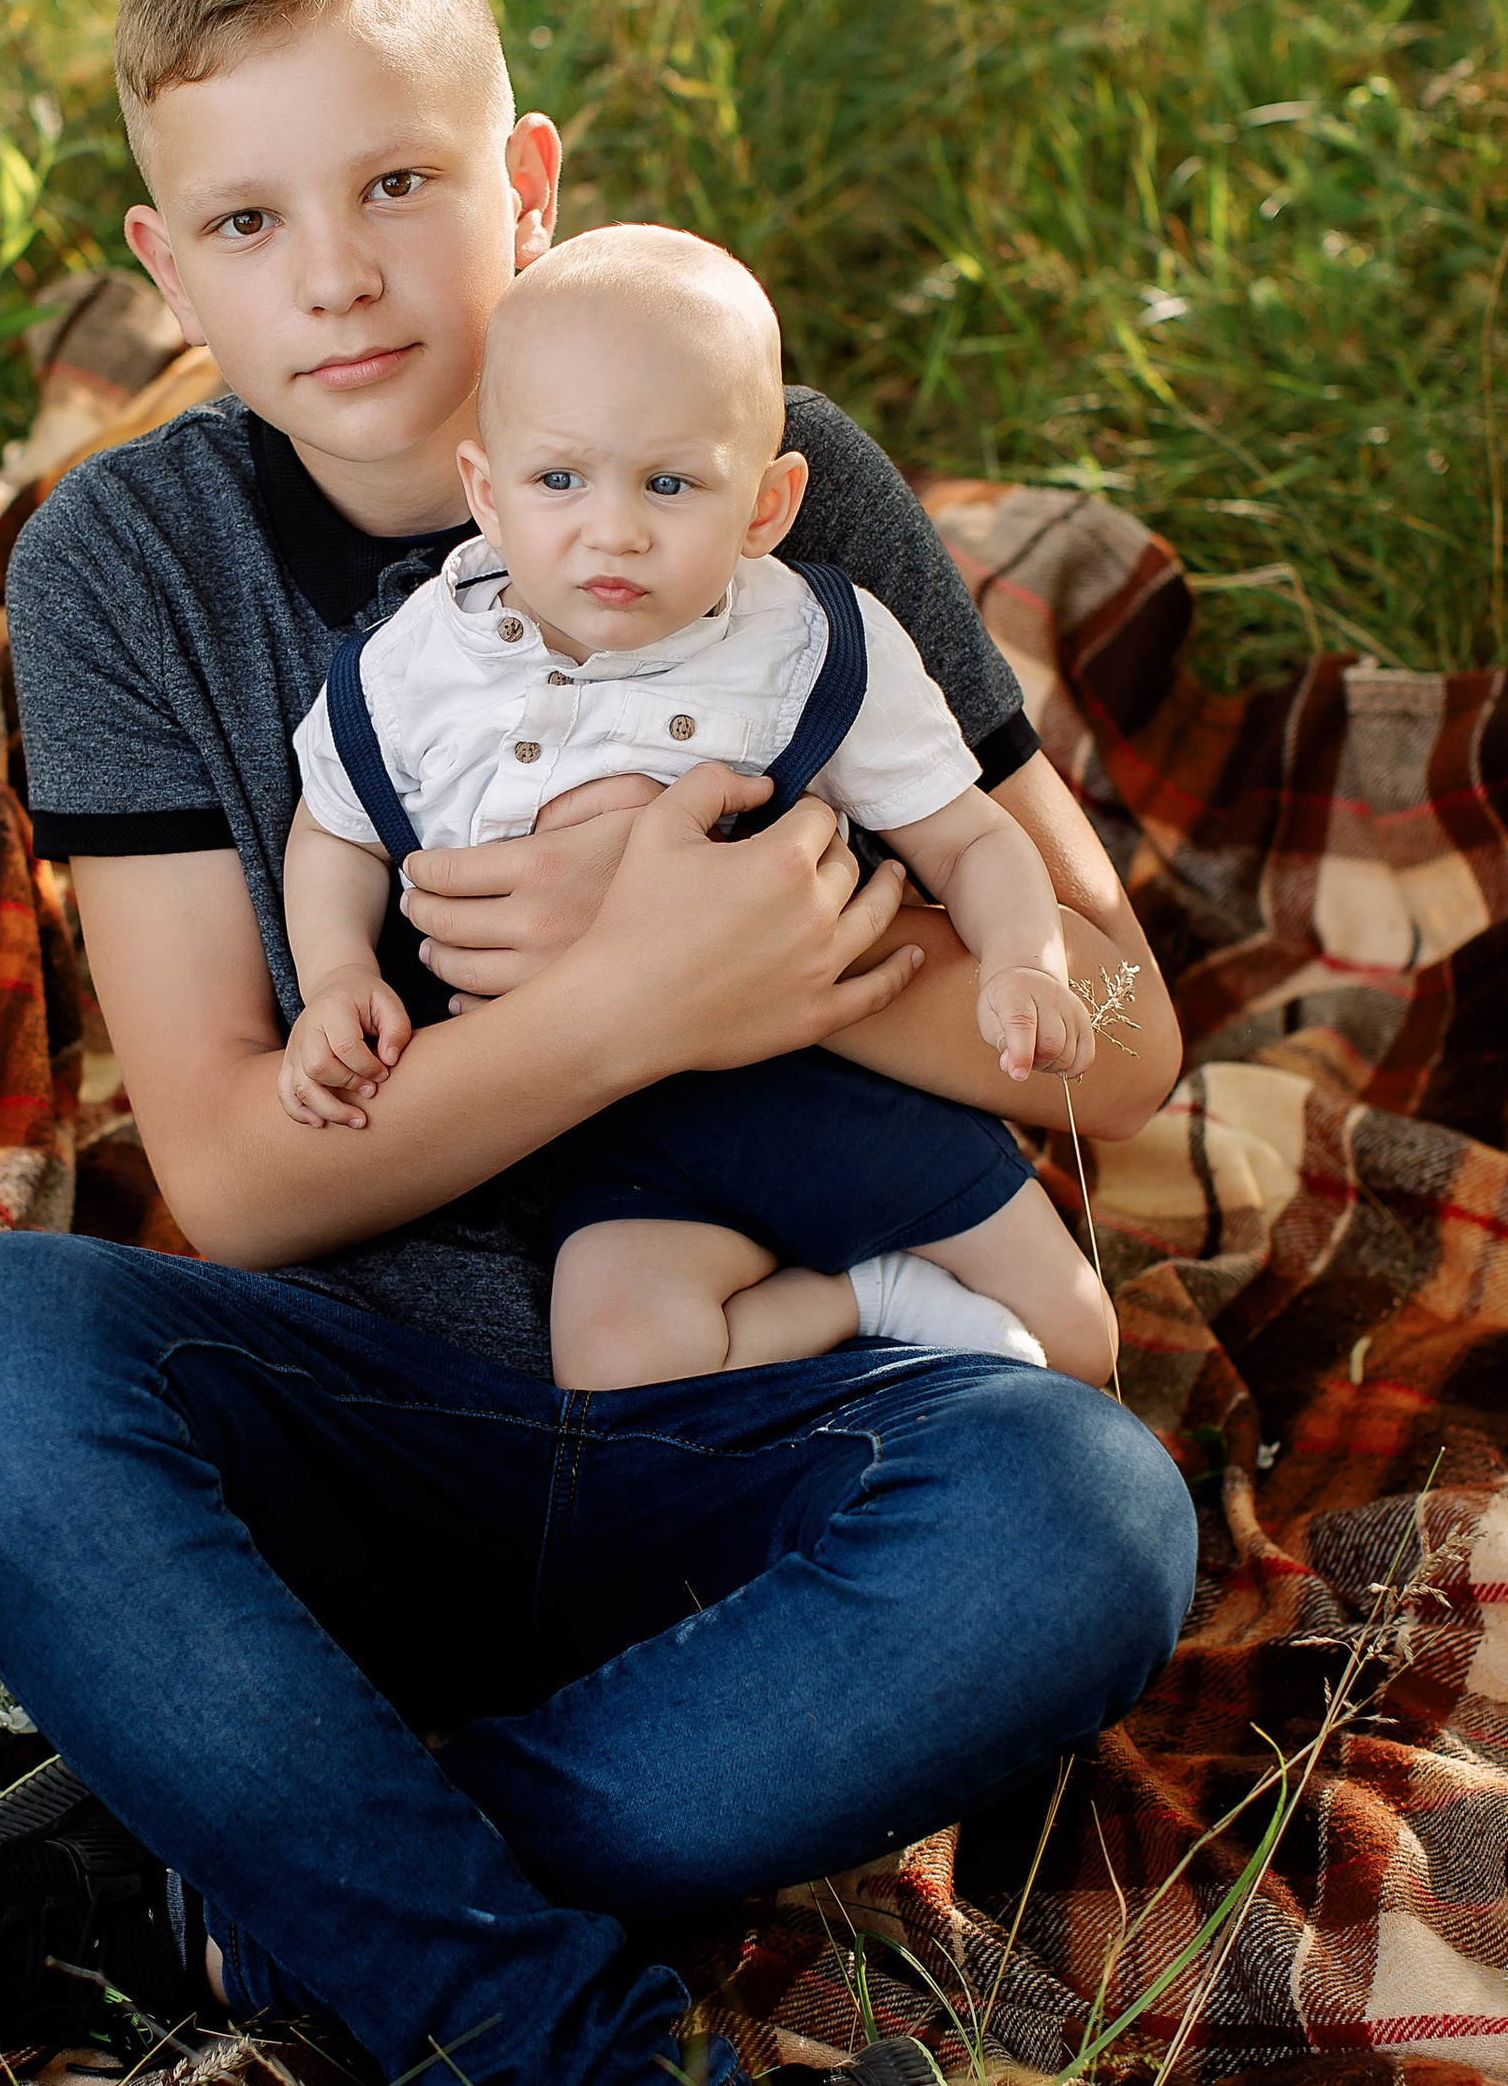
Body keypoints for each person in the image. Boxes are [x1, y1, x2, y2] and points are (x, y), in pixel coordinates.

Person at [0, 0, 1197, 2086]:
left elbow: (1115, 1043)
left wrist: (762, 965)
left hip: (749, 1454)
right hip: (351, 1469)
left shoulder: (756, 463)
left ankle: (203, 1887)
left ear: (525, 177)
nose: (338, 272)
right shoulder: (127, 569)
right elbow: (233, 1175)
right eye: (250, 217)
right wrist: (617, 1004)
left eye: (400, 181)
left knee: (1085, 1520)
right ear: (161, 267)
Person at [277, 218, 1117, 1390]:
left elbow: (972, 833)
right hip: (621, 1131)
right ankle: (853, 1303)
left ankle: (908, 1328)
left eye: (670, 484)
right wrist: (335, 979)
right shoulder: (422, 662)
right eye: (557, 479)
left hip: (839, 1088)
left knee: (1082, 1342)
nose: (610, 529)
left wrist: (1025, 962)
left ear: (766, 506)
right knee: (617, 1365)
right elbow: (334, 829)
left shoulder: (806, 645)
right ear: (485, 489)